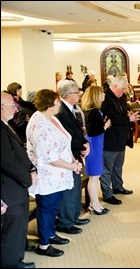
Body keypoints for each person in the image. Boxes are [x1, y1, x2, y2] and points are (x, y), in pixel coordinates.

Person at [26, 89, 81, 257]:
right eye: (57, 101)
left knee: (53, 208)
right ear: (50, 104)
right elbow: (47, 156)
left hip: (60, 173)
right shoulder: (38, 124)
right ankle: (44, 245)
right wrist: (71, 166)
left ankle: (50, 234)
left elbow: (65, 140)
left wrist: (73, 160)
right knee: (46, 209)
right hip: (48, 175)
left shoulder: (52, 118)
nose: (59, 104)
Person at [1, 92, 36, 268]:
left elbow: (18, 153)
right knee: (11, 229)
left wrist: (31, 168)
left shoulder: (5, 124)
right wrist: (28, 178)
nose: (16, 108)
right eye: (11, 105)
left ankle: (16, 260)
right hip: (8, 188)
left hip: (16, 185)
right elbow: (8, 162)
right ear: (1, 107)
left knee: (17, 228)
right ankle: (10, 264)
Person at [55, 80, 90, 235]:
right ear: (69, 95)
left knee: (75, 188)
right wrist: (82, 146)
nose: (80, 94)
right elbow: (67, 136)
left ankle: (74, 216)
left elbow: (77, 132)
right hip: (68, 157)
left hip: (75, 154)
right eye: (77, 92)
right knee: (70, 190)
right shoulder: (61, 111)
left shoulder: (70, 108)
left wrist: (84, 143)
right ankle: (66, 222)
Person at [100, 76, 139, 205]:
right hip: (110, 139)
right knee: (107, 169)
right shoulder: (105, 99)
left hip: (121, 137)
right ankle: (107, 193)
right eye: (122, 89)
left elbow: (123, 113)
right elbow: (112, 119)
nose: (123, 92)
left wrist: (129, 115)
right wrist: (128, 119)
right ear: (115, 85)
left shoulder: (120, 96)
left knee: (118, 166)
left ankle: (118, 186)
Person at [81, 86, 111, 215]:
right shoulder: (93, 112)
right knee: (94, 176)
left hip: (97, 144)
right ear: (95, 96)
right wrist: (104, 126)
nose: (104, 94)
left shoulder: (95, 110)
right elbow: (93, 131)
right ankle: (93, 205)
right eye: (101, 93)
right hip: (93, 145)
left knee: (96, 176)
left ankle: (95, 203)